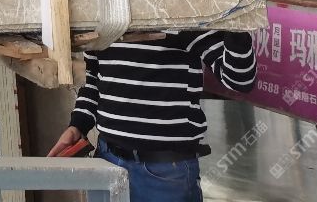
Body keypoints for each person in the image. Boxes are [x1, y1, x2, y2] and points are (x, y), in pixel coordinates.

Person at [48, 30, 257, 202]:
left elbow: (240, 80)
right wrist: (78, 125)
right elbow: (93, 79)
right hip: (107, 160)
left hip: (164, 174)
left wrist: (238, 26)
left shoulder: (183, 8)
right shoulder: (102, 16)